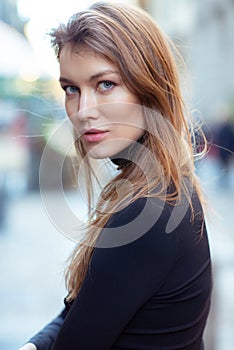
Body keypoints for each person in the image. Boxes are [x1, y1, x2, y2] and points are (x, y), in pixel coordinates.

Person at [19, 2, 212, 349]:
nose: (83, 111)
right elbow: (80, 308)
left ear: (150, 87)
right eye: (71, 89)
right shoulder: (165, 184)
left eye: (105, 84)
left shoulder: (147, 212)